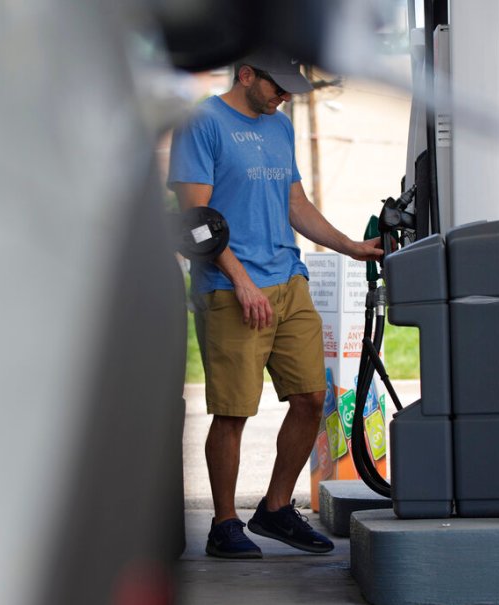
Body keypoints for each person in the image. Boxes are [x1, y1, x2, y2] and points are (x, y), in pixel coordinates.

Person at [168, 48, 382, 559]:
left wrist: (352, 246)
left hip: (289, 278)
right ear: (246, 74)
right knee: (233, 412)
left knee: (311, 398)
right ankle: (224, 524)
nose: (284, 96)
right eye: (277, 86)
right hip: (230, 287)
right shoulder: (201, 122)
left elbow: (295, 204)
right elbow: (196, 220)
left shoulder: (279, 126)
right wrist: (240, 280)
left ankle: (277, 509)